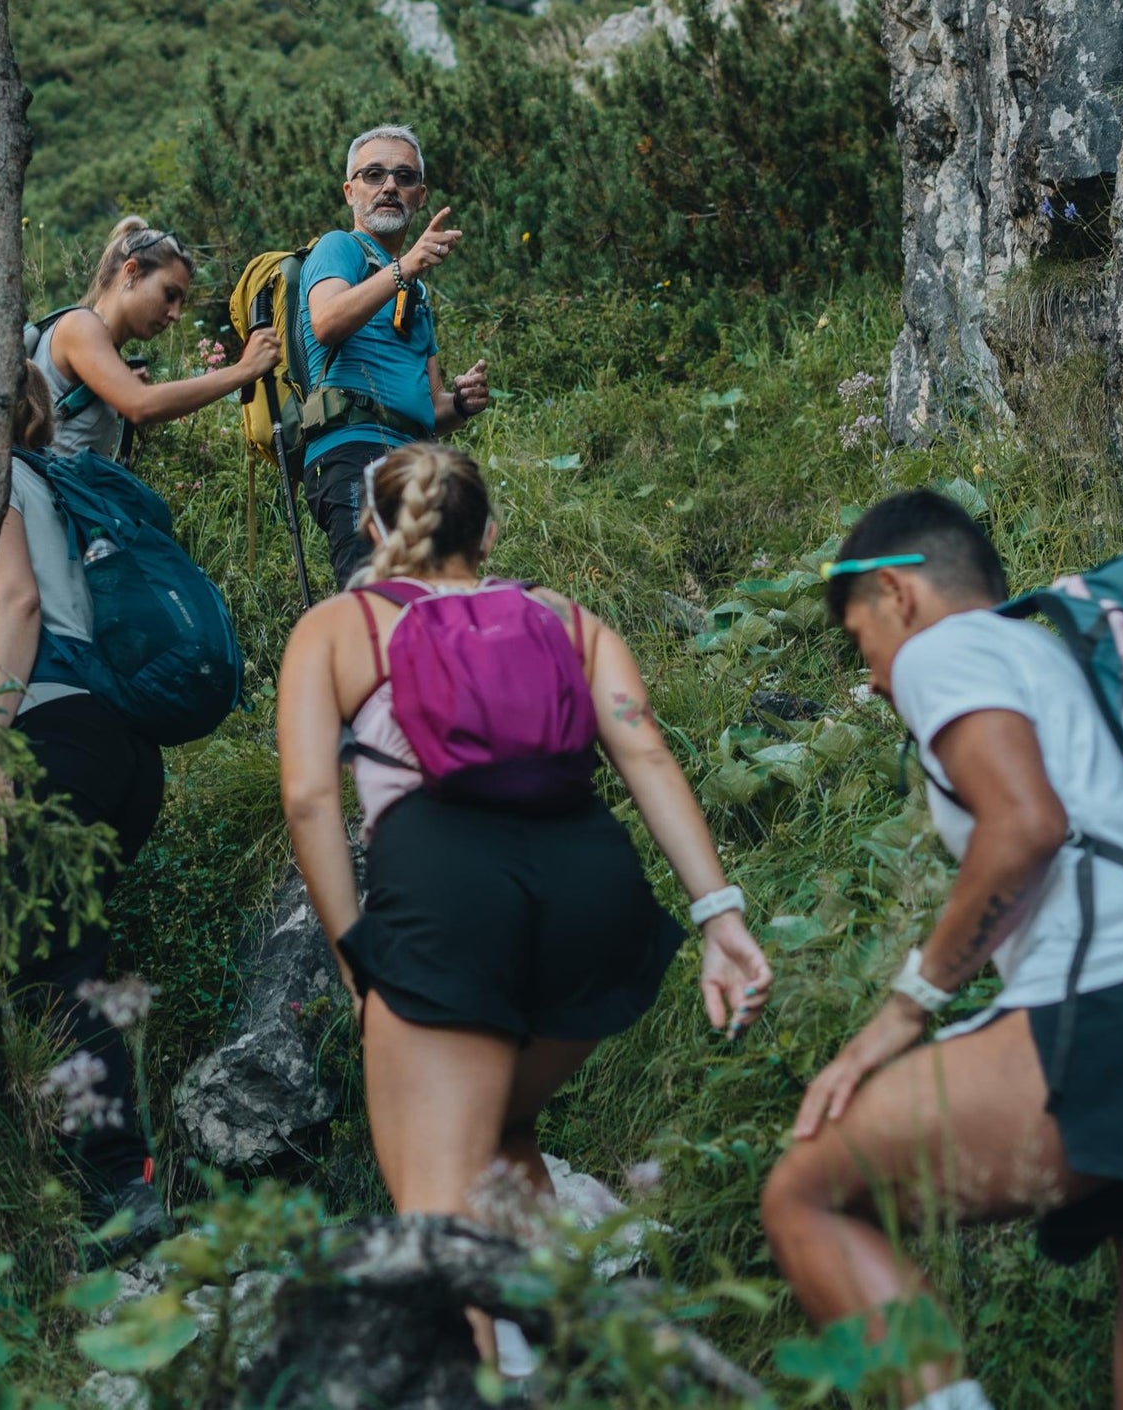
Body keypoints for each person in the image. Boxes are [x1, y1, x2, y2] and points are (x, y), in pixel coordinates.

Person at [760, 491, 1123, 1410]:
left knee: (807, 1192)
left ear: (898, 595)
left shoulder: (947, 648)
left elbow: (1024, 826)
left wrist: (903, 1010)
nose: (876, 679)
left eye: (861, 642)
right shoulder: (1062, 661)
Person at [276, 446, 770, 1309]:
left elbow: (310, 799)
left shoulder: (341, 626)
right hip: (593, 898)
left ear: (370, 527)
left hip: (445, 897)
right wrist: (720, 920)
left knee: (439, 1228)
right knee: (501, 1130)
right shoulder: (566, 619)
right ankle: (560, 1352)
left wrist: (360, 955)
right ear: (491, 532)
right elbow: (645, 752)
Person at [0, 356, 170, 1250]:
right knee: (61, 956)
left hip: (49, 733)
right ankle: (90, 1169)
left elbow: (17, 603)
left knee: (58, 962)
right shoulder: (66, 479)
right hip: (120, 747)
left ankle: (117, 1185)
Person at [297, 125, 491, 588]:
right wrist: (405, 269)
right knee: (375, 593)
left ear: (420, 196)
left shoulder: (416, 291)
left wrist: (460, 403)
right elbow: (326, 321)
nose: (389, 186)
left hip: (418, 459)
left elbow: (433, 405)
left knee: (432, 594)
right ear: (350, 191)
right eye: (373, 174)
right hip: (352, 450)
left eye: (404, 177)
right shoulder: (338, 248)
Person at [34, 217, 279, 461]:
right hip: (40, 495)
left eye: (180, 303)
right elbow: (141, 404)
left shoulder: (101, 346)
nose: (175, 315)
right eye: (169, 295)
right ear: (131, 272)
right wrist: (245, 369)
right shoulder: (80, 325)